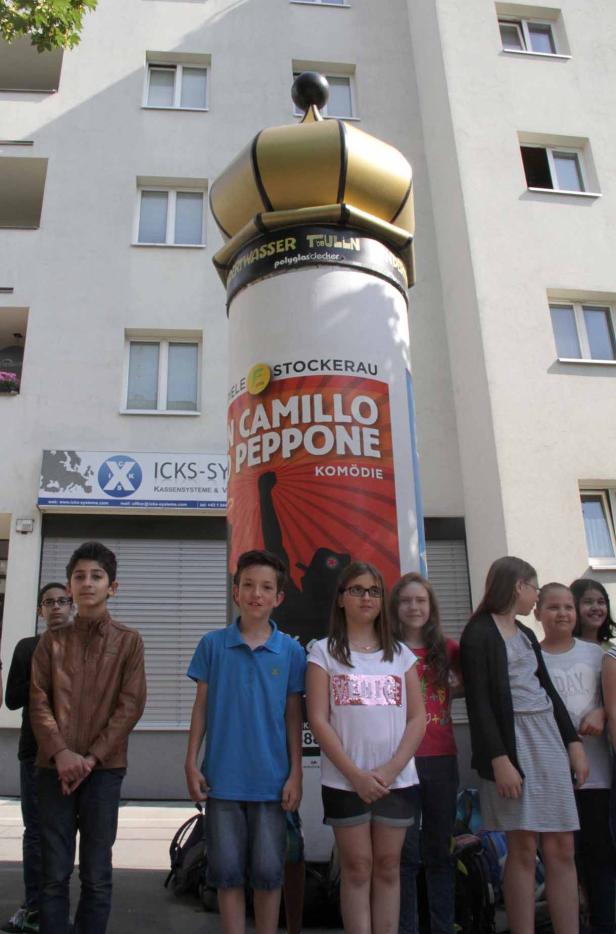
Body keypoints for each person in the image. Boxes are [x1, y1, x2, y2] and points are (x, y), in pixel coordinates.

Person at [460, 556, 588, 934]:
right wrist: (500, 759)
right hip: (511, 744)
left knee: (562, 846)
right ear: (518, 585)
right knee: (521, 847)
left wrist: (573, 742)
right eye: (534, 588)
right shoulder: (479, 633)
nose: (536, 597)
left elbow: (546, 688)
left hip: (546, 736)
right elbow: (479, 702)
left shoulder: (526, 634)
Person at [185, 549, 306, 934]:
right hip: (222, 780)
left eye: (266, 587)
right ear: (235, 591)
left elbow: (293, 715)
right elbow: (201, 707)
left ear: (278, 597)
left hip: (272, 783)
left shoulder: (290, 651)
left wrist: (296, 773)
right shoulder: (213, 645)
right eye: (249, 585)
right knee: (226, 873)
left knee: (270, 874)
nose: (257, 594)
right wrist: (191, 762)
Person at [30, 541, 147, 934]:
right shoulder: (51, 643)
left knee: (96, 874)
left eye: (96, 576)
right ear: (69, 585)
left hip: (105, 771)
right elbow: (38, 701)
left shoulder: (129, 641)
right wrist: (62, 753)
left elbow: (130, 706)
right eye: (79, 576)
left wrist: (92, 758)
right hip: (53, 771)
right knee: (54, 874)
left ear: (112, 586)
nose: (87, 583)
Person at [306, 561, 425, 934]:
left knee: (389, 866)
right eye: (356, 589)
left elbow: (418, 718)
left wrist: (389, 771)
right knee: (357, 867)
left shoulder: (400, 654)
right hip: (345, 782)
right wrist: (356, 776)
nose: (366, 597)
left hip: (397, 781)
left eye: (374, 590)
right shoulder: (323, 653)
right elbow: (318, 720)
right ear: (341, 598)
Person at [539, 582, 615, 934]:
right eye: (554, 608)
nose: (563, 614)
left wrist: (601, 711)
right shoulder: (533, 659)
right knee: (564, 855)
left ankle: (603, 922)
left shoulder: (597, 655)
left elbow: (611, 701)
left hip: (597, 771)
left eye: (568, 607)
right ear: (538, 613)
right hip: (553, 773)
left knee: (600, 851)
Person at [391, 572, 462, 934]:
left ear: (431, 607)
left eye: (421, 600)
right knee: (405, 855)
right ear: (396, 608)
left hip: (441, 760)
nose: (414, 607)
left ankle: (441, 926)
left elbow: (469, 685)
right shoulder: (386, 651)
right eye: (406, 601)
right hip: (400, 761)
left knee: (440, 853)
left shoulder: (449, 650)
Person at [2, 583, 73, 934]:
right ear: (39, 611)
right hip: (33, 753)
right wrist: (39, 672)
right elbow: (12, 700)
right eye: (49, 602)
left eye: (63, 601)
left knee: (67, 835)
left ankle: (58, 910)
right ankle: (33, 908)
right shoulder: (27, 647)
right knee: (36, 835)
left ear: (72, 606)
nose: (56, 607)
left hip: (74, 756)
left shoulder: (82, 646)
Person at [571, 578, 616, 649]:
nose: (596, 608)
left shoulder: (611, 650)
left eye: (601, 602)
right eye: (588, 602)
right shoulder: (564, 647)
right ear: (572, 606)